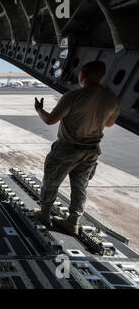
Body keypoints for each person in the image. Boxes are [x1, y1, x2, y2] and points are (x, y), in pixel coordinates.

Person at [33, 61, 120, 235]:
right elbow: (110, 124)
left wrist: (39, 110)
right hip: (91, 151)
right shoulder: (112, 99)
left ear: (83, 73)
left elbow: (50, 120)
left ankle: (44, 214)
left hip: (67, 149)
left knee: (51, 181)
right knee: (80, 187)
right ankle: (73, 222)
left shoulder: (73, 96)